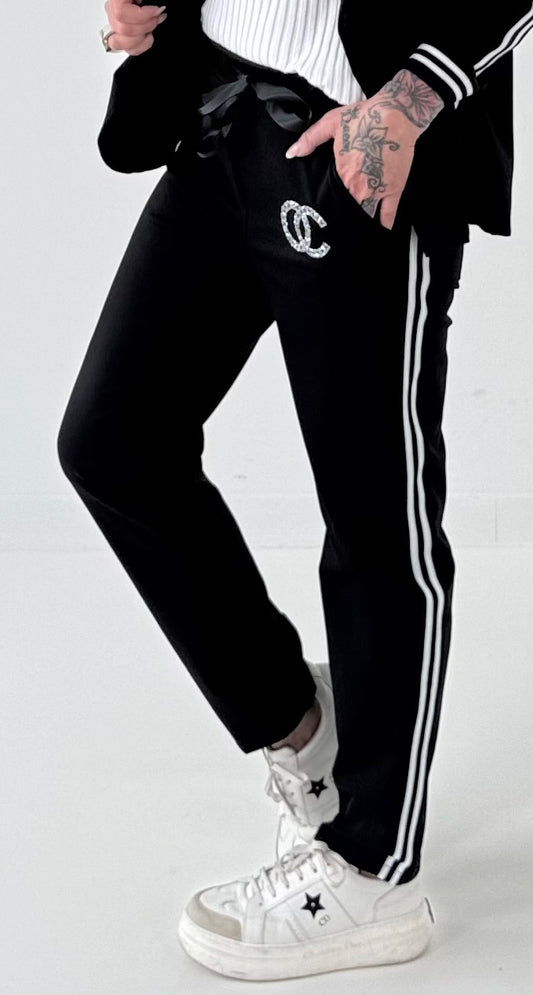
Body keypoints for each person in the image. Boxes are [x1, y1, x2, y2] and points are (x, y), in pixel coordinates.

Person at [57, 0, 533, 982]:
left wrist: (407, 101)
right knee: (113, 439)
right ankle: (300, 725)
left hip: (360, 138)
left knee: (375, 517)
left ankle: (372, 866)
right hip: (221, 113)